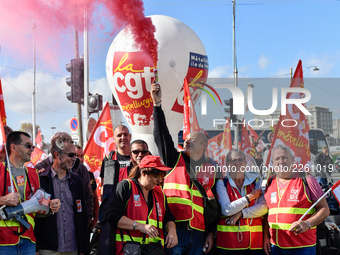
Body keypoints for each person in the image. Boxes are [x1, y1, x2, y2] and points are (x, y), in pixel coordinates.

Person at [151, 82, 218, 254]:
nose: (186, 141)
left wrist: (210, 232)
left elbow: (212, 203)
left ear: (203, 145)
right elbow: (162, 136)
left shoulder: (211, 167)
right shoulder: (174, 159)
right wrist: (157, 106)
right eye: (185, 138)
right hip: (175, 229)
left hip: (199, 232)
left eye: (192, 139)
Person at [0, 131, 60, 255]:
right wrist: (3, 200)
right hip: (3, 241)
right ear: (13, 147)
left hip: (28, 240)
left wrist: (50, 207)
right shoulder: (0, 170)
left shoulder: (33, 174)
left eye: (33, 146)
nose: (32, 149)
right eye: (28, 146)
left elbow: (37, 212)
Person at [263, 144, 330, 255]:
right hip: (276, 247)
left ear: (292, 159)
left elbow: (324, 209)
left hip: (302, 248)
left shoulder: (307, 179)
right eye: (277, 159)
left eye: (284, 157)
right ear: (273, 163)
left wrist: (307, 223)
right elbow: (268, 213)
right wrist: (266, 237)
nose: (281, 161)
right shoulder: (270, 182)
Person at [106, 155, 178, 254]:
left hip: (154, 250)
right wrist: (140, 226)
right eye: (156, 176)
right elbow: (112, 215)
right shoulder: (126, 186)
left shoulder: (160, 194)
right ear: (143, 172)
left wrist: (172, 231)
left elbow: (169, 218)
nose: (159, 180)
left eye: (161, 177)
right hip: (129, 249)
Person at [35, 132, 88, 255]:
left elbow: (82, 215)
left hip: (72, 247)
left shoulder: (76, 181)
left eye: (75, 155)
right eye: (70, 155)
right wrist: (36, 248)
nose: (74, 159)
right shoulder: (41, 179)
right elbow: (34, 217)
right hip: (47, 248)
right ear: (56, 154)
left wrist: (83, 246)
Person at [216, 149, 267, 255]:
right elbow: (226, 210)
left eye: (240, 160)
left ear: (245, 162)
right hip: (229, 244)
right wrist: (249, 197)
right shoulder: (222, 183)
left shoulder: (256, 180)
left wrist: (241, 213)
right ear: (227, 164)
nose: (237, 163)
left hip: (254, 243)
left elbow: (264, 207)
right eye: (233, 160)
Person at [99, 124, 132, 255]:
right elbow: (103, 188)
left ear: (130, 136)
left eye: (125, 134)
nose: (123, 137)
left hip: (134, 211)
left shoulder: (138, 156)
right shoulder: (108, 160)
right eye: (119, 135)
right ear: (114, 138)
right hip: (113, 212)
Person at [75, 145, 99, 248]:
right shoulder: (65, 174)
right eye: (77, 156)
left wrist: (95, 219)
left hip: (86, 223)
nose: (80, 159)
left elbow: (95, 199)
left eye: (82, 156)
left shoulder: (89, 175)